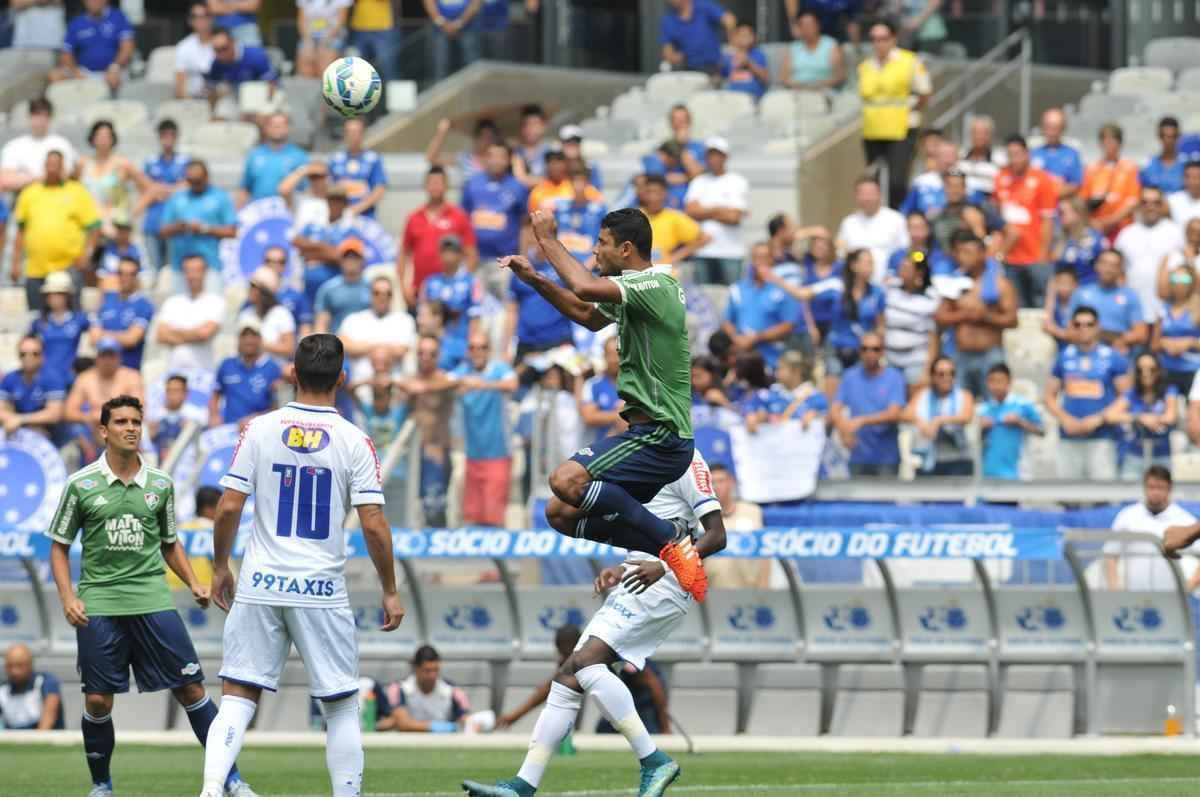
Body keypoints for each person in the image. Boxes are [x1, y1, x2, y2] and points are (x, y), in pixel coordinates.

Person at [198, 333, 403, 796]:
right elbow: (374, 524)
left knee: (237, 696)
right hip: (320, 589)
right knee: (341, 704)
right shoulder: (355, 440)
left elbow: (228, 506)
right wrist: (389, 588)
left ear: (291, 374)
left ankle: (212, 789)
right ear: (343, 379)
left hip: (261, 582)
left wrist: (220, 567)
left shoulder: (259, 429)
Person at [464, 449, 726, 797]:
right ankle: (522, 785)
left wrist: (661, 567)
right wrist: (625, 569)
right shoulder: (645, 453)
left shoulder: (686, 460)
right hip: (639, 577)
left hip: (667, 581)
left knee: (585, 664)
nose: (626, 412)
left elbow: (717, 535)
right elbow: (645, 535)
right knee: (569, 675)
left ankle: (653, 760)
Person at [47, 395, 257, 797]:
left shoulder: (160, 483)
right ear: (104, 431)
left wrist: (194, 581)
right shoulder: (81, 484)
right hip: (101, 604)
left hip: (153, 601)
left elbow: (169, 542)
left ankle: (230, 779)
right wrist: (67, 596)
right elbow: (59, 546)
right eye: (122, 421)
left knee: (193, 689)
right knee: (97, 702)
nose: (131, 428)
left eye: (137, 422)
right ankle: (102, 785)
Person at [500, 208, 705, 598]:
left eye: (601, 244)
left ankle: (671, 537)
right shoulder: (634, 290)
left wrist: (547, 239)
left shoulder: (655, 284)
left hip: (662, 437)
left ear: (626, 249)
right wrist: (535, 280)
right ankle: (668, 549)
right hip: (645, 434)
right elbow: (586, 314)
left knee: (565, 480)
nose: (595, 254)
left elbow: (584, 289)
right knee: (559, 514)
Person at [1045, 305, 1130, 480]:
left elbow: (1126, 396)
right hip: (1069, 435)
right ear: (1072, 326)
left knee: (1103, 494)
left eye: (1089, 324)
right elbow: (1049, 396)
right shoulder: (1063, 357)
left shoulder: (1112, 357)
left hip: (1101, 435)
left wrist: (1099, 419)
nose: (1084, 329)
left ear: (1098, 326)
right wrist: (1065, 419)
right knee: (1068, 495)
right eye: (1078, 324)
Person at [11, 150, 100, 311]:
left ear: (62, 168)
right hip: (36, 268)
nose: (52, 169)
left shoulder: (76, 191)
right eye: (49, 165)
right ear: (44, 166)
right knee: (37, 318)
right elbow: (20, 231)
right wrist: (16, 263)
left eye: (56, 165)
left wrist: (87, 255)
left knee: (71, 316)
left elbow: (93, 227)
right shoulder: (30, 193)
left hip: (68, 266)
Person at [857, 19, 931, 209]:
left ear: (893, 39)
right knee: (873, 181)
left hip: (902, 127)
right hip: (873, 129)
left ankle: (899, 215)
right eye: (874, 39)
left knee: (897, 182)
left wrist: (909, 110)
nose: (879, 43)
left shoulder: (909, 61)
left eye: (883, 38)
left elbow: (924, 92)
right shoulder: (866, 66)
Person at [935, 231, 1018, 397]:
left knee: (993, 402)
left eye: (968, 252)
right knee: (958, 401)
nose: (962, 257)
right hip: (961, 354)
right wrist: (964, 315)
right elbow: (940, 317)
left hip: (990, 354)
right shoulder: (954, 282)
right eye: (959, 252)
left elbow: (1012, 320)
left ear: (982, 254)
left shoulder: (1000, 284)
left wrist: (987, 317)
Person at [452, 332, 518, 527]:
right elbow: (444, 381)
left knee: (493, 515)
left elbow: (512, 383)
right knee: (472, 516)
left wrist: (481, 385)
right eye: (472, 347)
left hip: (499, 453)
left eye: (482, 347)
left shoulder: (499, 369)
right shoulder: (463, 371)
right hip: (472, 455)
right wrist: (461, 383)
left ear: (489, 350)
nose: (477, 352)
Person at [1108, 467, 1199, 591]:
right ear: (1144, 488)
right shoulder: (1127, 516)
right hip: (1133, 598)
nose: (1155, 492)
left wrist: (1187, 589)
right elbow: (1110, 554)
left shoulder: (1184, 519)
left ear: (1169, 489)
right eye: (1151, 487)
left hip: (1171, 599)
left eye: (1161, 487)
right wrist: (1114, 589)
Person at [994, 134, 1058, 308]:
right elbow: (999, 218)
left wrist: (1043, 254)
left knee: (1039, 305)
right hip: (1011, 257)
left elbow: (1048, 220)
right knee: (1016, 305)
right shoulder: (1001, 178)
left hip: (1035, 255)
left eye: (1018, 154)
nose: (1014, 159)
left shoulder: (1042, 179)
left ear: (1027, 154)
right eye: (1010, 155)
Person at [400, 166, 477, 308]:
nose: (435, 187)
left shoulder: (459, 216)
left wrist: (462, 286)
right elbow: (404, 255)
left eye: (439, 183)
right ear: (425, 186)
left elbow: (471, 254)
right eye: (431, 183)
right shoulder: (414, 218)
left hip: (450, 294)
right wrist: (404, 287)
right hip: (420, 293)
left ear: (446, 186)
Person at [400, 335, 457, 527]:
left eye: (431, 354)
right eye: (422, 353)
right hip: (412, 454)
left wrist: (423, 388)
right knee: (407, 506)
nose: (426, 357)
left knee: (435, 508)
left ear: (438, 355)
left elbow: (459, 383)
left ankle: (440, 553)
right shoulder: (409, 381)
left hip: (436, 451)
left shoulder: (445, 381)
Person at [830, 331, 906, 476]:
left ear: (882, 351)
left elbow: (894, 413)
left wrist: (862, 421)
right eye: (865, 349)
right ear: (859, 351)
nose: (870, 353)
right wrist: (843, 430)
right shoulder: (849, 376)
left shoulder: (894, 377)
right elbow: (835, 408)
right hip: (857, 455)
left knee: (886, 497)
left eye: (875, 349)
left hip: (886, 457)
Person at [157, 160, 237, 284]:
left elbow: (232, 231)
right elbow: (162, 230)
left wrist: (205, 228)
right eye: (191, 181)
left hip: (210, 265)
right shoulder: (177, 198)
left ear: (206, 177)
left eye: (198, 181)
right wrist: (179, 227)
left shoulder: (220, 197)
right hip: (180, 267)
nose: (194, 184)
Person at [721, 242, 798, 370]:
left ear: (771, 260)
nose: (759, 262)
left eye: (763, 257)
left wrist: (757, 337)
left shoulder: (782, 289)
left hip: (772, 359)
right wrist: (736, 338)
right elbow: (727, 320)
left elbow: (788, 324)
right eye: (756, 257)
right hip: (742, 358)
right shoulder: (738, 289)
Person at [1114, 186, 1184, 324]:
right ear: (1139, 206)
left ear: (1162, 205)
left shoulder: (1177, 233)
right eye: (1145, 202)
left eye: (1155, 202)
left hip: (1167, 312)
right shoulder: (1126, 234)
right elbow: (1117, 272)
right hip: (1133, 312)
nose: (1150, 207)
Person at [684, 137, 749, 286]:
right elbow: (690, 211)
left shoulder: (737, 181)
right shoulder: (698, 182)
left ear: (725, 157)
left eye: (717, 154)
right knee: (704, 299)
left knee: (732, 296)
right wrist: (720, 210)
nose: (713, 159)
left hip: (731, 253)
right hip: (703, 251)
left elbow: (734, 216)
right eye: (710, 155)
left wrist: (705, 211)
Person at [463, 143, 528, 275]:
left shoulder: (517, 187)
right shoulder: (472, 184)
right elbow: (463, 221)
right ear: (485, 158)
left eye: (501, 157)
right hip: (475, 260)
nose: (496, 161)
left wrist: (522, 257)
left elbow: (525, 225)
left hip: (506, 262)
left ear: (508, 160)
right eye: (492, 156)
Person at [156, 254, 226, 375]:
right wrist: (194, 333)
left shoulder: (216, 301)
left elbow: (204, 334)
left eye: (196, 271)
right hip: (174, 375)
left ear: (205, 272)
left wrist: (174, 333)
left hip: (203, 373)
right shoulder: (172, 302)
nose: (192, 276)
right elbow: (161, 335)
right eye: (188, 271)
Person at [1111, 352, 1177, 481]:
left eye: (1151, 369)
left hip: (1161, 455)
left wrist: (1152, 419)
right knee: (1128, 496)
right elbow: (1110, 415)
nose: (1146, 374)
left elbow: (1171, 416)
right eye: (1141, 370)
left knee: (1159, 495)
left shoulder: (1168, 391)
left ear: (1159, 371)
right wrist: (1139, 417)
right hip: (1135, 454)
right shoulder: (1132, 394)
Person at [420, 235, 482, 371]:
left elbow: (475, 318)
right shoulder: (430, 282)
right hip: (433, 346)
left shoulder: (471, 283)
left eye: (453, 251)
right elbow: (423, 314)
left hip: (461, 342)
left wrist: (470, 346)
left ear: (461, 255)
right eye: (444, 251)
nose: (448, 256)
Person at [905, 356, 975, 476]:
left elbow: (966, 416)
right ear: (932, 376)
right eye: (941, 374)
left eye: (951, 373)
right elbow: (905, 414)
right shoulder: (922, 395)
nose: (947, 378)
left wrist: (939, 421)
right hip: (928, 459)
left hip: (957, 460)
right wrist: (921, 423)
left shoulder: (963, 395)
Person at [339, 275, 416, 383]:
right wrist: (386, 348)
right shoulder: (353, 319)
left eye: (387, 293)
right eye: (377, 293)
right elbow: (344, 346)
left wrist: (361, 347)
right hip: (359, 386)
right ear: (370, 294)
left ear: (392, 296)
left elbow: (401, 350)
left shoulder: (405, 320)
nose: (382, 297)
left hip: (394, 387)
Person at [1068, 249, 1147, 354]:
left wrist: (1121, 340)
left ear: (1120, 269)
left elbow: (1141, 334)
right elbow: (1070, 331)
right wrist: (1105, 336)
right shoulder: (1081, 293)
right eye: (1104, 263)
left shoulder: (1130, 296)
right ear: (1096, 265)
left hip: (1117, 353)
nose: (1108, 269)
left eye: (1114, 265)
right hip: (1084, 353)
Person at [210, 319, 283, 427]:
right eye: (244, 336)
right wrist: (214, 415)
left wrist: (254, 420)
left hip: (259, 430)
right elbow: (215, 393)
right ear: (238, 339)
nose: (248, 340)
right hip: (229, 430)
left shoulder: (273, 368)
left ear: (260, 339)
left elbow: (278, 408)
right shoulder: (227, 365)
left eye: (253, 335)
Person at [51, 0, 135, 93]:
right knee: (55, 76)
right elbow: (66, 53)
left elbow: (127, 48)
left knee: (114, 79)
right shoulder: (76, 23)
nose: (94, 2)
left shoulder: (118, 17)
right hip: (85, 72)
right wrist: (76, 71)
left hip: (113, 70)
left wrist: (114, 67)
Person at [836, 176, 908, 283]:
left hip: (889, 284)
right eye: (863, 194)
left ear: (879, 194)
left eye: (871, 193)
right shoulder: (848, 223)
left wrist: (893, 273)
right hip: (856, 286)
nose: (867, 198)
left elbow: (905, 251)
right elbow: (841, 253)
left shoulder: (896, 219)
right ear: (856, 196)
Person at [977, 362, 1042, 480]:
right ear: (987, 383)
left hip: (1017, 473)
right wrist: (981, 429)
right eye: (992, 381)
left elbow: (1042, 431)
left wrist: (1020, 422)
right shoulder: (983, 409)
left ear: (1009, 382)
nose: (996, 386)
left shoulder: (1023, 404)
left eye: (1000, 381)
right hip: (989, 474)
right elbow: (975, 440)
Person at [883, 250, 938, 388]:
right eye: (901, 267)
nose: (902, 271)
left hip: (916, 362)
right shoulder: (890, 289)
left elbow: (933, 337)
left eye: (907, 268)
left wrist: (928, 370)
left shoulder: (931, 297)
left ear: (919, 273)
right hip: (890, 360)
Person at [89, 257, 154, 371]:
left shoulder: (144, 305)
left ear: (137, 277)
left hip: (128, 369)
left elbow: (132, 339)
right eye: (121, 273)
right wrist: (121, 336)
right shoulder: (107, 298)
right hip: (102, 370)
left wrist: (103, 334)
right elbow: (94, 337)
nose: (125, 278)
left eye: (131, 274)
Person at [64, 337, 144, 429]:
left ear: (119, 358)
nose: (107, 360)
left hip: (123, 426)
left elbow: (138, 409)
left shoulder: (131, 377)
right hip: (94, 428)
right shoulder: (85, 379)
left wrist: (110, 418)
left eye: (111, 356)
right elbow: (69, 412)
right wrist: (89, 418)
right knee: (76, 428)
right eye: (104, 355)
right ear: (97, 358)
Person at [1081, 123, 1141, 239]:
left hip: (1122, 228)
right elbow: (1083, 201)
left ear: (1120, 143)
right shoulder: (1091, 169)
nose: (1109, 145)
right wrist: (1093, 222)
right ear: (1100, 143)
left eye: (1112, 140)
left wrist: (1109, 222)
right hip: (1097, 228)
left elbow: (1133, 201)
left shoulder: (1130, 168)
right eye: (1105, 140)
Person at [29, 270, 89, 382]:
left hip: (71, 377)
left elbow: (95, 338)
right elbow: (26, 345)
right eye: (50, 294)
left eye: (59, 293)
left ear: (68, 295)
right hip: (45, 377)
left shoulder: (80, 319)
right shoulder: (39, 322)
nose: (53, 297)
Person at [0, 336, 65, 438]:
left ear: (42, 356)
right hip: (16, 429)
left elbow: (54, 414)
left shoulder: (52, 379)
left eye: (35, 354)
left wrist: (20, 419)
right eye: (23, 354)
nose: (28, 357)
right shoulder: (10, 378)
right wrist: (11, 418)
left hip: (47, 433)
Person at [238, 113, 309, 205]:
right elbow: (245, 188)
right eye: (273, 125)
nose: (277, 127)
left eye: (281, 125)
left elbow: (306, 190)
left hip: (286, 211)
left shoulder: (299, 156)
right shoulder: (254, 155)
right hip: (258, 210)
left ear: (288, 128)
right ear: (266, 128)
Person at [638, 174, 708, 265]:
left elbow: (704, 238)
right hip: (638, 275)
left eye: (658, 193)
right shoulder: (634, 217)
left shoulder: (674, 217)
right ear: (643, 194)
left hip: (666, 275)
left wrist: (675, 257)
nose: (653, 197)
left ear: (665, 194)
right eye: (649, 192)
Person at [205, 26, 278, 108]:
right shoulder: (217, 64)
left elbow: (273, 84)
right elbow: (211, 92)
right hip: (235, 105)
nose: (221, 54)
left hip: (262, 102)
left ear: (233, 42)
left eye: (224, 48)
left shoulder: (255, 55)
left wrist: (265, 107)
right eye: (216, 50)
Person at [329, 118, 387, 218]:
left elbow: (379, 189)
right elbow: (328, 187)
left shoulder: (372, 159)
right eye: (349, 132)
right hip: (340, 217)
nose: (353, 136)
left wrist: (357, 208)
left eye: (356, 132)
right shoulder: (336, 159)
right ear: (344, 135)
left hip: (366, 217)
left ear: (363, 134)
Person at [659, 0, 735, 74]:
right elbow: (667, 51)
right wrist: (674, 57)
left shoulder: (703, 5)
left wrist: (731, 46)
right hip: (688, 70)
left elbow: (729, 20)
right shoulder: (668, 20)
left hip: (715, 67)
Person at [237, 266, 297, 360]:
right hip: (250, 371)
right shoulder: (246, 313)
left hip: (276, 371)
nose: (250, 290)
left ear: (265, 292)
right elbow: (239, 348)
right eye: (250, 286)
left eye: (254, 287)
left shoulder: (281, 314)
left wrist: (258, 344)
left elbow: (289, 348)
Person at [0, 643, 63, 731]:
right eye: (10, 666)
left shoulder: (45, 682)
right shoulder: (2, 690)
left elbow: (50, 714)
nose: (14, 671)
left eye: (19, 665)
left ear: (30, 664)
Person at [315, 238, 371, 334]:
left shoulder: (372, 287)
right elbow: (321, 324)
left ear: (363, 260)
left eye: (355, 256)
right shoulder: (329, 289)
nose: (351, 260)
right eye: (347, 256)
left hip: (367, 343)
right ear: (340, 260)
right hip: (338, 344)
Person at [780, 10, 845, 93]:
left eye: (810, 25)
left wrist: (817, 85)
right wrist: (799, 86)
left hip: (823, 90)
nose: (806, 29)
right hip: (796, 90)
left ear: (818, 25)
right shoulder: (794, 48)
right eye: (803, 25)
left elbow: (839, 76)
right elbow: (783, 77)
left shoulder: (831, 45)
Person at [579, 337, 622, 446]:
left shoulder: (637, 384)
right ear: (604, 356)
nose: (616, 359)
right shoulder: (593, 384)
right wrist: (621, 414)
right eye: (611, 354)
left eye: (619, 354)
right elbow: (588, 417)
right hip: (601, 449)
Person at [1053, 195, 1104, 286]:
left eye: (1062, 213)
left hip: (1090, 291)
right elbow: (1055, 274)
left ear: (1077, 214)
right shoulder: (1059, 239)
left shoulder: (1095, 238)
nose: (1059, 217)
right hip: (1065, 294)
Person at [1031, 106, 1083, 194]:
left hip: (1062, 202)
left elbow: (1076, 184)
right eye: (1048, 127)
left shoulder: (1071, 154)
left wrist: (1053, 194)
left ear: (1063, 129)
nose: (1051, 132)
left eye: (1055, 128)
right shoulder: (1033, 154)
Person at [296, 0, 349, 78]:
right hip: (309, 36)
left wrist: (325, 41)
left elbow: (341, 21)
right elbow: (301, 20)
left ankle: (326, 86)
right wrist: (308, 41)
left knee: (325, 61)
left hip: (333, 36)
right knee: (305, 60)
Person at [348, 0, 399, 81]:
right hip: (358, 28)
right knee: (355, 69)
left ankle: (394, 93)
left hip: (383, 28)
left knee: (388, 67)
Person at [175, 2, 216, 99]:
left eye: (205, 16)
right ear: (190, 21)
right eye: (196, 16)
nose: (201, 20)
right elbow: (180, 88)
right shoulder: (183, 47)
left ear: (212, 18)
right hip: (193, 99)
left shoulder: (222, 43)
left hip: (219, 98)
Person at [959, 116, 1004, 202]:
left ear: (990, 135)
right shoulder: (961, 157)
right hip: (962, 203)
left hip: (987, 203)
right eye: (976, 133)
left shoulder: (1000, 160)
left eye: (984, 133)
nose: (980, 137)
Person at [720, 22, 769, 101]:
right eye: (741, 35)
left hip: (753, 97)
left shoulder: (758, 55)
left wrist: (749, 63)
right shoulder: (728, 56)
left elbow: (765, 78)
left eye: (747, 35)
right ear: (735, 37)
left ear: (754, 37)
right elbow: (720, 76)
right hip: (732, 97)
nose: (744, 38)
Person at [1140, 116, 1184, 194]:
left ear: (1178, 137)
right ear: (1159, 137)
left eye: (1172, 136)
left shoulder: (1186, 166)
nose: (1168, 141)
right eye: (1164, 136)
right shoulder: (1148, 166)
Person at [1043, 264, 1078, 351]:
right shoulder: (1054, 302)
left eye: (1068, 283)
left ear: (1075, 285)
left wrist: (1056, 331)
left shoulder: (1080, 304)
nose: (1064, 287)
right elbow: (1047, 325)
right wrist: (1051, 295)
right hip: (1059, 347)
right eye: (1060, 283)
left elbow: (1075, 335)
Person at [1168, 161, 1200, 226]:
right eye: (1188, 177)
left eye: (1197, 177)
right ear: (1183, 178)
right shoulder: (1171, 200)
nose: (1193, 181)